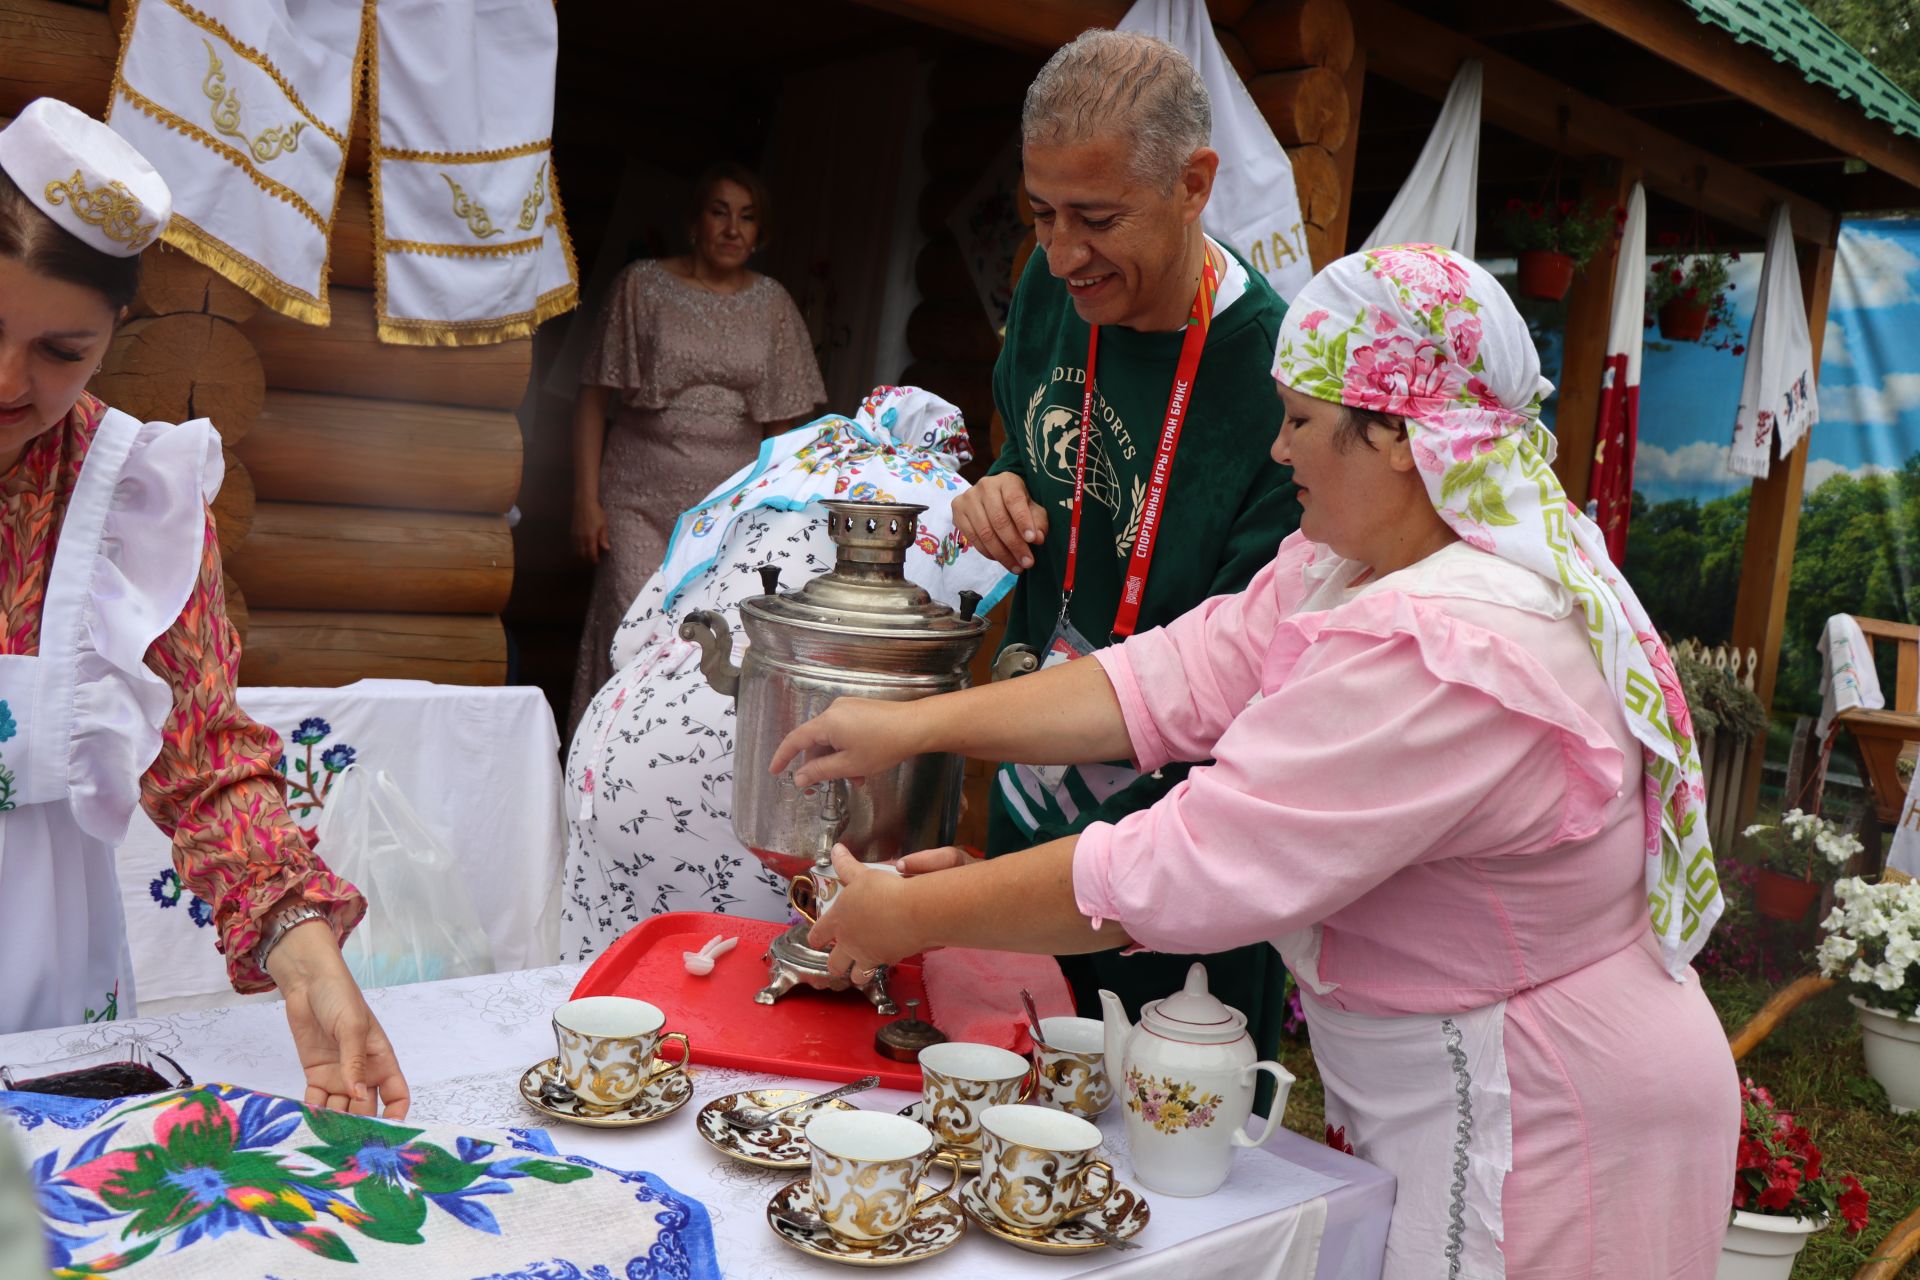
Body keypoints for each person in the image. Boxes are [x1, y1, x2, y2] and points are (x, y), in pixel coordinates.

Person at [776, 244, 1739, 1275]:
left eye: (1301, 421)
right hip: (1463, 1078)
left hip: (1548, 1109)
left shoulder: (1450, 645)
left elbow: (1189, 861)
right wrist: (922, 721)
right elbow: (1170, 675)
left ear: (1401, 440)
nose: (1280, 453)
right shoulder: (1356, 565)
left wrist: (909, 914)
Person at [0, 100, 408, 1117]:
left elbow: (204, 760)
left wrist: (305, 954)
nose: (9, 381)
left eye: (61, 349)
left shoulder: (129, 497)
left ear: (114, 335)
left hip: (39, 999)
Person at [950, 28, 1302, 1056]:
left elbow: (1255, 666)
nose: (1061, 256)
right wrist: (998, 489)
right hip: (1032, 796)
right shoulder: (1055, 292)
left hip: (1180, 853)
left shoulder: (1279, 375)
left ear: (1194, 184)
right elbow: (1029, 448)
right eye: (1042, 214)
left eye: (1096, 219)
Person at [560, 386, 1011, 959]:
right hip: (741, 771)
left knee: (623, 986)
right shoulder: (940, 507)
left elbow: (633, 636)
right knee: (742, 991)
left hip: (613, 744)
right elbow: (916, 676)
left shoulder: (784, 478)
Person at [569, 162, 826, 731]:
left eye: (748, 217)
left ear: (762, 234)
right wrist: (585, 501)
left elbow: (785, 428)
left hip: (723, 511)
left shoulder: (773, 304)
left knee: (703, 641)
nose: (733, 229)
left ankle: (662, 783)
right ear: (694, 224)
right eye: (720, 212)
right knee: (632, 630)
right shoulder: (642, 285)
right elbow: (593, 396)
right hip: (636, 497)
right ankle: (599, 770)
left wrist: (772, 516)